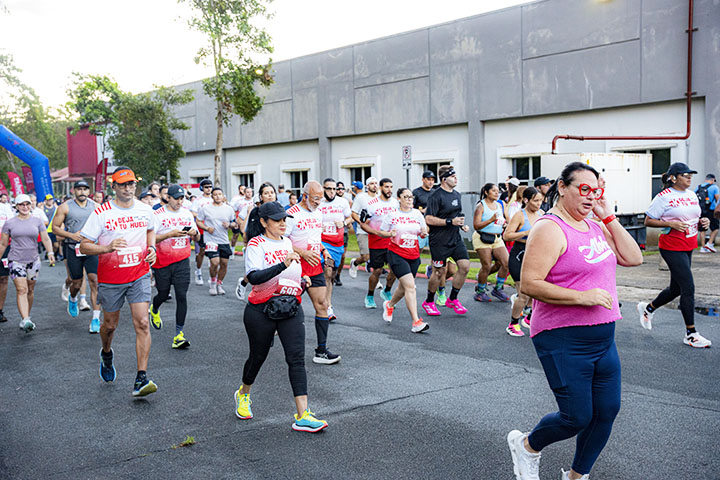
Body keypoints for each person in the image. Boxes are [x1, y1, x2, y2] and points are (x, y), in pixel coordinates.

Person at [507, 161, 642, 480]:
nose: (591, 196)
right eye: (584, 189)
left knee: (606, 411)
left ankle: (576, 476)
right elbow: (530, 284)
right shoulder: (549, 228)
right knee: (576, 417)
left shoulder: (594, 226)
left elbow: (634, 257)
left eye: (596, 191)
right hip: (563, 337)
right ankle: (526, 446)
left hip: (603, 338)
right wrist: (582, 297)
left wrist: (608, 216)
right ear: (562, 187)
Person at [234, 201, 328, 432]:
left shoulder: (287, 242)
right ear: (264, 222)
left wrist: (301, 281)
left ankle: (303, 414)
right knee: (258, 356)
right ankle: (244, 393)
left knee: (296, 358)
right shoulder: (256, 244)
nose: (283, 223)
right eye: (277, 220)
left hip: (289, 308)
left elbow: (288, 276)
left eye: (285, 219)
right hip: (261, 310)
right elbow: (254, 277)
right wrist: (282, 264)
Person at [79, 167, 158, 397]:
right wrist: (107, 248)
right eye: (122, 184)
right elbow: (84, 245)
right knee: (110, 325)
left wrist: (152, 248)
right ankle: (106, 353)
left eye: (131, 184)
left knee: (142, 322)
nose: (127, 188)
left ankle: (141, 378)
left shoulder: (145, 210)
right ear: (113, 187)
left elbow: (151, 230)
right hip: (111, 277)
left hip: (139, 274)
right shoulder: (102, 213)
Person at [637, 162, 712, 348]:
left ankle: (648, 308)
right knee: (688, 287)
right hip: (671, 246)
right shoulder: (663, 197)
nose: (689, 178)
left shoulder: (692, 194)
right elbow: (648, 221)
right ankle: (691, 334)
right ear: (673, 178)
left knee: (676, 289)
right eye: (685, 175)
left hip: (689, 244)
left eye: (691, 175)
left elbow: (694, 218)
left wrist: (703, 222)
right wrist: (670, 224)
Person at [286, 181, 341, 364]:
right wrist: (302, 253)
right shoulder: (292, 214)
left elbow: (315, 237)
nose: (318, 203)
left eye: (320, 199)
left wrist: (323, 250)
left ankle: (321, 351)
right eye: (315, 199)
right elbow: (281, 241)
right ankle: (267, 332)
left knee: (323, 304)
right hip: (295, 266)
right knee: (286, 307)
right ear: (305, 196)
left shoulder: (318, 212)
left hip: (314, 264)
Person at [149, 185, 199, 348]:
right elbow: (150, 239)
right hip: (162, 262)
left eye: (182, 198)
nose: (179, 201)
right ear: (168, 198)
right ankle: (154, 308)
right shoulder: (157, 215)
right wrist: (170, 234)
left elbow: (197, 236)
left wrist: (194, 233)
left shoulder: (186, 213)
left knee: (181, 296)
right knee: (163, 294)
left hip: (182, 261)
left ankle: (179, 334)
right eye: (176, 198)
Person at [52, 180, 101, 332]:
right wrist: (71, 235)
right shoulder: (65, 207)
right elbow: (54, 228)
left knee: (95, 281)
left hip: (91, 248)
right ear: (74, 191)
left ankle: (96, 319)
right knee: (77, 283)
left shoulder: (96, 207)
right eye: (79, 189)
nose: (82, 192)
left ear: (89, 192)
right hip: (73, 248)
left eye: (85, 189)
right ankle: (73, 298)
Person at [0, 194, 54, 332]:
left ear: (31, 205)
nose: (25, 207)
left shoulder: (37, 221)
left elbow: (45, 238)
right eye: (21, 205)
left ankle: (27, 316)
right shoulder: (9, 223)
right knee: (21, 289)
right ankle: (25, 320)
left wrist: (50, 253)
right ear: (17, 206)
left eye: (27, 204)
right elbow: (3, 244)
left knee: (30, 289)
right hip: (16, 260)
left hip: (33, 260)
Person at [379, 188, 429, 333]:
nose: (409, 199)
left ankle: (389, 305)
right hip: (396, 254)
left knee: (403, 287)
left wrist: (424, 233)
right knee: (410, 287)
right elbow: (382, 232)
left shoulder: (417, 214)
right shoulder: (392, 215)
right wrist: (390, 233)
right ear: (399, 199)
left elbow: (423, 230)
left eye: (411, 197)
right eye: (406, 197)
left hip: (413, 254)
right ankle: (416, 322)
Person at [422, 166, 470, 316]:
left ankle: (453, 299)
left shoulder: (456, 194)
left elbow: (457, 214)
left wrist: (461, 225)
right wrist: (450, 222)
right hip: (439, 241)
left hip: (455, 238)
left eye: (456, 176)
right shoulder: (435, 196)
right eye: (453, 176)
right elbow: (428, 218)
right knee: (439, 272)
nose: (456, 179)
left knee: (465, 266)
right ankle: (429, 301)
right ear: (444, 179)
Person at [351, 178, 398, 309]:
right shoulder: (371, 204)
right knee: (377, 270)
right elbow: (363, 224)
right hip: (376, 242)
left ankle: (387, 291)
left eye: (391, 187)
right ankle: (370, 296)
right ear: (380, 188)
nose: (389, 190)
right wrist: (376, 232)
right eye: (386, 187)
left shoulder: (395, 203)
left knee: (395, 269)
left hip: (392, 242)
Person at [502, 187, 543, 336]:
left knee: (539, 291)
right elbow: (507, 236)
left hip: (534, 255)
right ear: (526, 200)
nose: (539, 204)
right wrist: (526, 233)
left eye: (540, 200)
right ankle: (513, 324)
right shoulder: (520, 215)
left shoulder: (541, 214)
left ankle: (529, 318)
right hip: (519, 255)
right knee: (524, 294)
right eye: (535, 200)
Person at [317, 178, 352, 321]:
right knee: (328, 270)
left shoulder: (342, 202)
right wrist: (318, 226)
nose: (332, 192)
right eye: (329, 189)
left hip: (337, 244)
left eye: (334, 189)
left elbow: (350, 218)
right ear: (323, 189)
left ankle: (324, 300)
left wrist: (343, 222)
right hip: (323, 243)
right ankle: (328, 307)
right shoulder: (318, 203)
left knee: (331, 275)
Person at [235, 183, 277, 300]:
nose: (270, 195)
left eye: (272, 192)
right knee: (257, 272)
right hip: (257, 246)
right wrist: (249, 212)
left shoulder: (279, 209)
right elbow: (243, 229)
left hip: (273, 245)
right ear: (261, 196)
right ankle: (246, 286)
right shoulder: (254, 210)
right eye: (266, 193)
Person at [195, 187, 238, 296]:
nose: (218, 196)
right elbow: (198, 221)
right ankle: (213, 282)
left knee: (224, 264)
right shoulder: (205, 208)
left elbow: (234, 223)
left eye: (220, 194)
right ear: (212, 196)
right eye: (215, 194)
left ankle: (219, 283)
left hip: (223, 240)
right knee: (215, 262)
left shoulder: (229, 209)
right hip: (210, 240)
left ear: (223, 196)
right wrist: (206, 228)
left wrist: (229, 225)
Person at [472, 183, 511, 302]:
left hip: (497, 238)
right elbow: (476, 225)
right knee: (486, 265)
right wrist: (491, 220)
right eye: (493, 191)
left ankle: (498, 289)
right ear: (486, 192)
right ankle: (480, 291)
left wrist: (504, 224)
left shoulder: (498, 205)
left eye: (497, 191)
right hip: (482, 237)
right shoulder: (481, 206)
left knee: (506, 263)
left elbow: (501, 220)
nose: (497, 193)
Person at [348, 177, 378, 281]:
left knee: (376, 257)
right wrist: (361, 223)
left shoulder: (379, 198)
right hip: (363, 231)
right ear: (367, 186)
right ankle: (355, 262)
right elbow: (353, 213)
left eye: (376, 183)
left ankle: (376, 280)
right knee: (366, 257)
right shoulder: (361, 197)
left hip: (376, 231)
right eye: (372, 183)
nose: (374, 185)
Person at [191, 178, 214, 285]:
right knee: (202, 252)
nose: (209, 189)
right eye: (206, 187)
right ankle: (198, 271)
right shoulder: (198, 200)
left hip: (213, 229)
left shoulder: (214, 199)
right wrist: (203, 216)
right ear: (202, 188)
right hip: (202, 228)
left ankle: (212, 276)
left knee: (213, 252)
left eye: (210, 187)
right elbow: (193, 212)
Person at [333, 181, 351, 286]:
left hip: (343, 232)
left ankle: (337, 275)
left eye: (342, 189)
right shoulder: (328, 201)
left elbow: (350, 217)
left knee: (342, 256)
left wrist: (346, 223)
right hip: (329, 233)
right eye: (338, 189)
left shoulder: (346, 201)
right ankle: (330, 274)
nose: (340, 190)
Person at [695, 173, 719, 252]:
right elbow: (718, 199)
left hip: (701, 210)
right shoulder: (714, 187)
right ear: (712, 180)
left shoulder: (698, 187)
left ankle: (703, 247)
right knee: (715, 228)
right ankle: (709, 243)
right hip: (711, 210)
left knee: (702, 229)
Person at [0, 198, 13, 323]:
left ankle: (0, 310)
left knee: (3, 278)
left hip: (4, 245)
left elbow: (13, 227)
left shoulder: (5, 208)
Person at [231, 186, 254, 255]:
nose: (249, 193)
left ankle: (248, 252)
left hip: (251, 222)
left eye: (250, 192)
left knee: (248, 239)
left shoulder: (254, 201)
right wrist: (235, 221)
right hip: (241, 221)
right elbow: (234, 211)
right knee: (236, 235)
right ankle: (232, 249)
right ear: (244, 193)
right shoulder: (239, 202)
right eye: (247, 192)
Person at [42, 194, 60, 264]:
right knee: (48, 244)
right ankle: (48, 255)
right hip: (46, 230)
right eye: (48, 200)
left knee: (56, 245)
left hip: (54, 230)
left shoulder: (56, 208)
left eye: (51, 199)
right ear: (45, 201)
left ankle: (53, 254)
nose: (50, 201)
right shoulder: (43, 208)